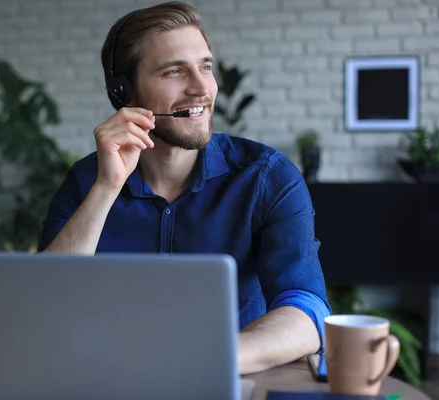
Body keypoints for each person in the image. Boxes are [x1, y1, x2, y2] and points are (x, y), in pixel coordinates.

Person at [37, 1, 331, 375]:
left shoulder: (266, 177)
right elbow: (45, 307)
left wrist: (212, 358)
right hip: (111, 380)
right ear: (124, 94)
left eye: (205, 67)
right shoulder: (87, 182)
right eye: (174, 71)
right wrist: (107, 188)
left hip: (229, 381)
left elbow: (307, 309)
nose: (201, 88)